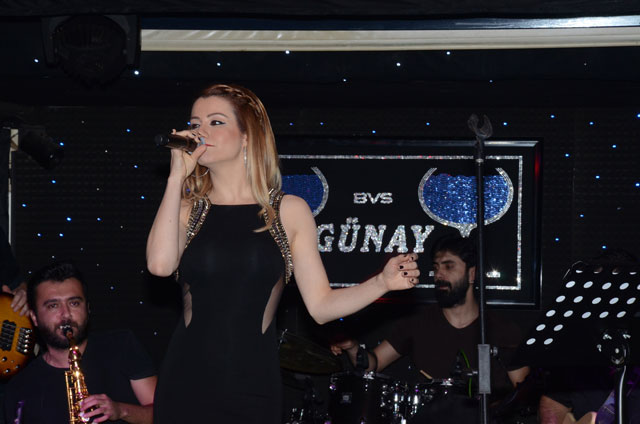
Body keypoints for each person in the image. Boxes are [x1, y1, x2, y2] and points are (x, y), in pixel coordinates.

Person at [145, 83, 420, 423]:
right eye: (194, 123)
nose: (200, 131)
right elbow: (159, 266)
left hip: (253, 383)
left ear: (247, 137)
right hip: (186, 380)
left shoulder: (287, 211)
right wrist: (176, 178)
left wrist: (381, 283)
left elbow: (321, 307)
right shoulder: (188, 208)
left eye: (216, 122)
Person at [331, 233, 530, 422]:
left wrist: (497, 410)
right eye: (436, 268)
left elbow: (524, 391)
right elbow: (373, 365)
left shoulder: (502, 329)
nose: (439, 275)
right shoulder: (417, 322)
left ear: (472, 274)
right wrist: (352, 347)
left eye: (449, 266)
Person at [3, 262, 157, 424]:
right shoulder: (20, 386)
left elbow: (166, 413)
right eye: (53, 306)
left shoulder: (122, 345)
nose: (66, 315)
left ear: (88, 309)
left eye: (74, 303)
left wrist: (121, 410)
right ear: (34, 318)